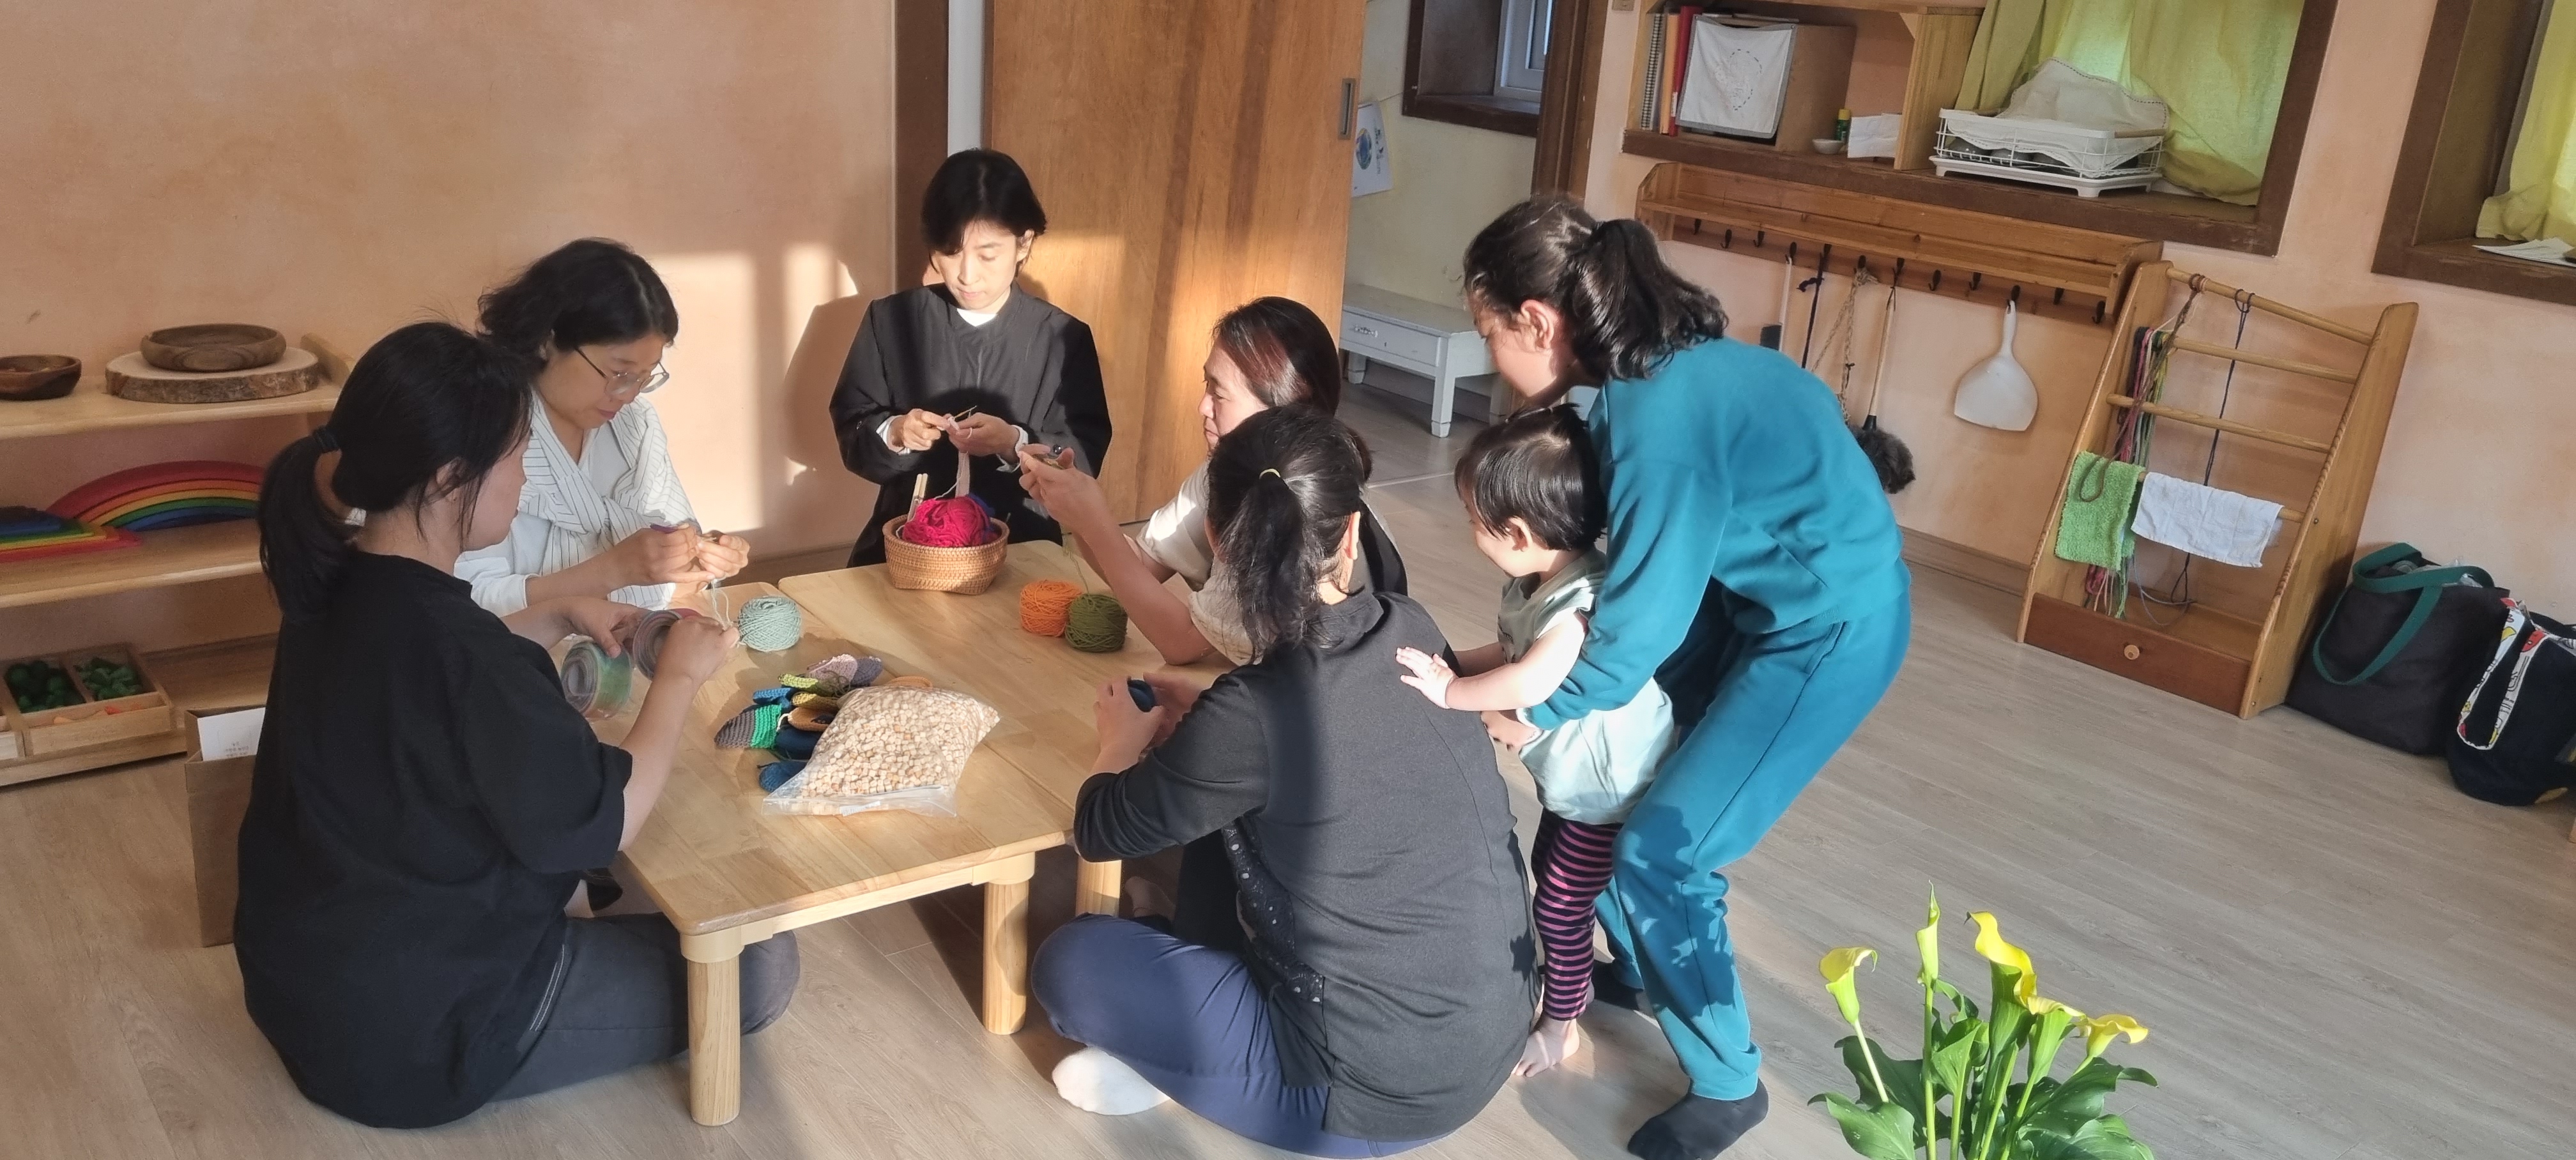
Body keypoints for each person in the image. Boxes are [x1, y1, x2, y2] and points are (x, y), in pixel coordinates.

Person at [235, 321, 797, 1129]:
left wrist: (553, 613)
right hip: (420, 1036)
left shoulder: (335, 585)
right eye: (516, 457)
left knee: (608, 873)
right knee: (762, 961)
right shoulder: (468, 657)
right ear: (449, 477)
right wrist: (677, 680)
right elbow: (613, 819)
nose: (526, 474)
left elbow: (431, 683)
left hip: (306, 984)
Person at [1460, 197, 1911, 1160]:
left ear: (1535, 321)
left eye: (1488, 332)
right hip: (1752, 603)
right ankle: (1641, 962)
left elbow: (1639, 623)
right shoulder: (1651, 374)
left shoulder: (1657, 418)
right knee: (1623, 789)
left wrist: (1538, 706)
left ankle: (1728, 1081)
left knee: (1666, 850)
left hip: (1829, 631)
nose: (1493, 356)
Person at [1029, 406, 1535, 1157]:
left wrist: (1118, 741)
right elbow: (1333, 730)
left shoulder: (1253, 711)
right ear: (1353, 534)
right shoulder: (1410, 626)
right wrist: (1212, 718)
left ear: (1215, 539)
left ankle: (1178, 1066)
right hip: (1497, 1028)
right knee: (1232, 824)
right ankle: (1196, 1037)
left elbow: (1100, 829)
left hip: (1362, 1098)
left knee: (1071, 963)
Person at [1389, 404, 1675, 1078]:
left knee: (1559, 904)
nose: (1469, 528)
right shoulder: (1537, 583)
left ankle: (1561, 1022)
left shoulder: (1577, 605)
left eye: (1473, 518)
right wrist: (1452, 663)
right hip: (1577, 787)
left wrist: (1451, 693)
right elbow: (1510, 650)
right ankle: (1608, 976)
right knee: (1560, 880)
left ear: (1517, 531)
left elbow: (1530, 676)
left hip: (1608, 793)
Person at [1015, 296, 1406, 665]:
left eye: (1219, 394)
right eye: (1207, 385)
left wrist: (1093, 521)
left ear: (1283, 410)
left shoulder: (1291, 504)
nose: (1202, 406)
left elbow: (1182, 642)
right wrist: (1078, 506)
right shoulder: (1227, 474)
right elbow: (1141, 569)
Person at [830, 148, 1112, 565]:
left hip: (1023, 544)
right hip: (907, 540)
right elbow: (853, 422)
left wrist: (1013, 443)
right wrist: (896, 432)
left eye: (987, 255)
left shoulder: (1063, 337)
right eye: (950, 252)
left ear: (1023, 243)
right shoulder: (889, 320)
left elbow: (1082, 458)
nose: (966, 274)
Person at [458, 238, 749, 616]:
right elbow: (466, 600)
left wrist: (701, 555)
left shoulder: (635, 425)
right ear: (547, 341)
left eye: (645, 376)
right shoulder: (482, 428)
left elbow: (677, 540)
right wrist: (613, 571)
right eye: (618, 373)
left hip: (626, 638)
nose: (628, 395)